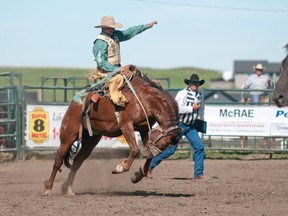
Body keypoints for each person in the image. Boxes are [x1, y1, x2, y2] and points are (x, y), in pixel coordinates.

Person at [147, 74, 206, 179]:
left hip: (191, 126)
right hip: (180, 125)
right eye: (192, 82)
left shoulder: (199, 95)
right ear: (189, 83)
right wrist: (191, 108)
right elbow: (177, 108)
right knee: (170, 149)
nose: (194, 84)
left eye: (196, 83)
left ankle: (198, 174)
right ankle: (149, 166)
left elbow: (198, 111)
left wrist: (198, 120)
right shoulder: (182, 93)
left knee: (199, 147)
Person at [92, 16, 157, 106]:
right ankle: (101, 93)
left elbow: (129, 32)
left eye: (113, 26)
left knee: (136, 75)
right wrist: (117, 69)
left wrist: (145, 26)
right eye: (110, 27)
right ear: (104, 28)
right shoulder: (100, 42)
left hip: (118, 69)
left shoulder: (115, 35)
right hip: (106, 72)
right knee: (118, 80)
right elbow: (101, 62)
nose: (113, 28)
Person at [243, 63, 275, 149]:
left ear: (262, 71)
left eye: (260, 70)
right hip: (254, 94)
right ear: (255, 70)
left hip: (263, 94)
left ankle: (266, 115)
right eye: (257, 69)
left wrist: (269, 83)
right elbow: (245, 86)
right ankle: (257, 115)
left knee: (270, 102)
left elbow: (271, 86)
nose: (259, 71)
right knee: (255, 98)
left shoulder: (265, 78)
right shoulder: (251, 78)